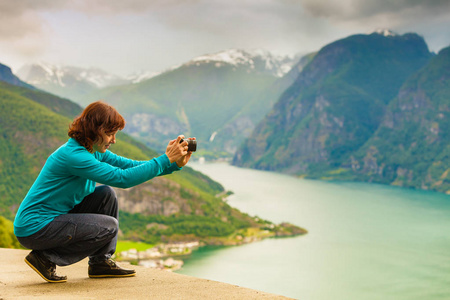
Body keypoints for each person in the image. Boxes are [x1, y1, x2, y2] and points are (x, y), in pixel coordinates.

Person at [13, 101, 194, 283]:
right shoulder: (75, 156)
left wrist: (173, 164)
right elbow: (123, 179)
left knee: (106, 194)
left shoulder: (92, 149)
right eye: (110, 134)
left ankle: (100, 262)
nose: (114, 140)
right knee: (108, 226)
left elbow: (130, 166)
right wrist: (165, 159)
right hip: (34, 227)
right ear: (95, 130)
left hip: (54, 218)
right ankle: (45, 258)